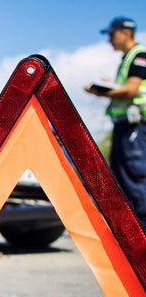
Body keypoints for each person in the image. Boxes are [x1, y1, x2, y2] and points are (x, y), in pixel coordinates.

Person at [85, 17, 146, 226]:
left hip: (135, 127)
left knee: (134, 177)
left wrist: (102, 92)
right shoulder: (127, 58)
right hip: (125, 127)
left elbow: (130, 90)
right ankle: (132, 232)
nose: (109, 40)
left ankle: (142, 234)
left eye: (111, 34)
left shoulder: (139, 56)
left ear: (125, 33)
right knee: (123, 178)